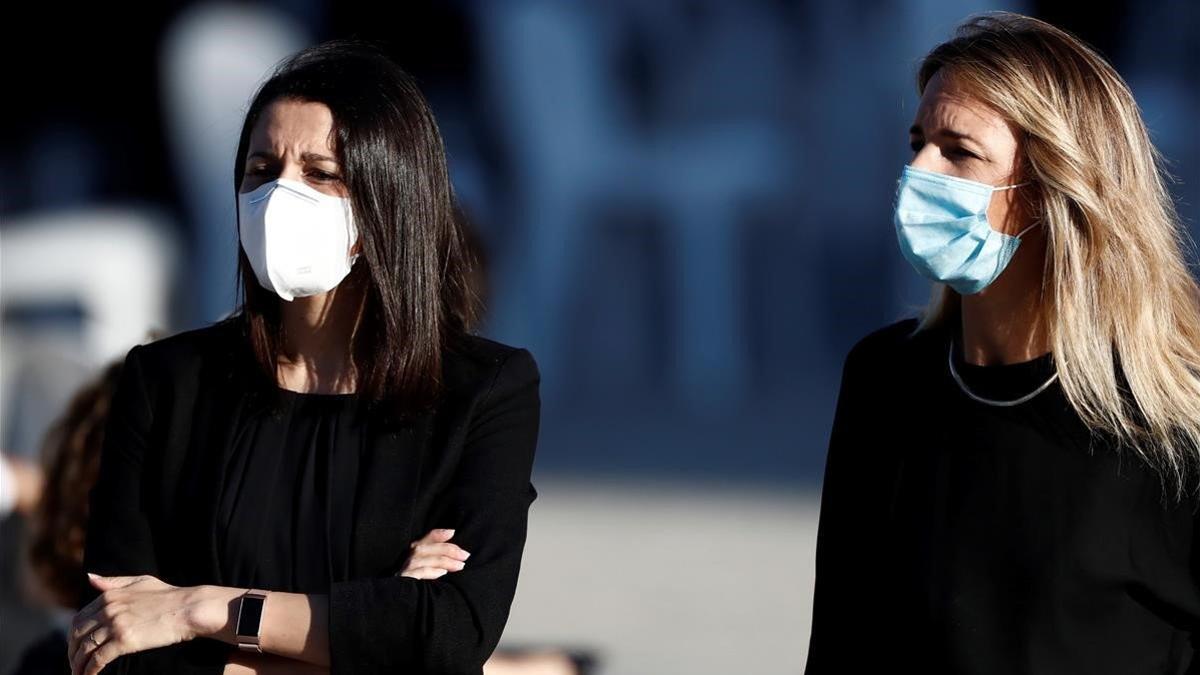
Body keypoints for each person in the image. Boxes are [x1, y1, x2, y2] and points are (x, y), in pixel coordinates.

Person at [67, 40, 541, 675]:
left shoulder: (480, 392)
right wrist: (365, 631)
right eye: (262, 170)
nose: (278, 197)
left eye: (320, 173)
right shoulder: (168, 383)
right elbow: (113, 647)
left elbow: (451, 636)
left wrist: (199, 610)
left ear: (389, 200)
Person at [806, 13, 1200, 674]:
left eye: (957, 150)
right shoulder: (884, 379)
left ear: (1051, 190)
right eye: (917, 142)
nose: (918, 171)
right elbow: (841, 642)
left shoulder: (1164, 421)